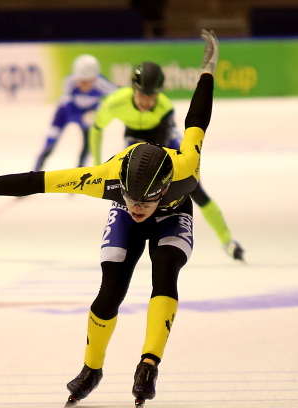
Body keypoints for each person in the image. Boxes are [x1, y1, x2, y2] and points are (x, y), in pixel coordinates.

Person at [0, 31, 220, 408]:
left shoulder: (185, 169)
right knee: (111, 287)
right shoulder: (106, 179)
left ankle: (148, 365)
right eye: (129, 198)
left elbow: (198, 118)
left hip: (175, 211)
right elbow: (34, 182)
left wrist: (207, 70)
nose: (137, 207)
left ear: (163, 185)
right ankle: (91, 369)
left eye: (144, 200)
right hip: (140, 196)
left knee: (166, 272)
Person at [89, 60, 244, 261]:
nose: (146, 101)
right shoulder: (115, 103)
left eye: (151, 96)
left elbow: (170, 146)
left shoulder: (164, 107)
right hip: (135, 141)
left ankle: (227, 241)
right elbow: (96, 129)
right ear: (132, 89)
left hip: (163, 141)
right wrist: (97, 164)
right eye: (142, 95)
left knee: (195, 189)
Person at [33, 54, 117, 172]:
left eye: (88, 82)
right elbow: (67, 110)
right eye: (81, 81)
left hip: (88, 115)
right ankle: (34, 174)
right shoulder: (69, 82)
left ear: (95, 78)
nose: (84, 85)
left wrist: (102, 113)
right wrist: (83, 118)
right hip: (64, 114)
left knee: (88, 145)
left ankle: (78, 177)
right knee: (49, 143)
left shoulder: (103, 85)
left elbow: (119, 98)